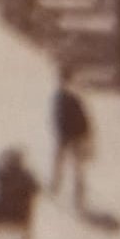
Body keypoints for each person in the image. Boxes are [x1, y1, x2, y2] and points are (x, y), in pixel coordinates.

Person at [49, 65, 93, 209]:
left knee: (63, 161)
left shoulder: (63, 96)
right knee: (75, 165)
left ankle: (57, 185)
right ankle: (76, 192)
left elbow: (58, 116)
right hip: (73, 134)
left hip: (68, 134)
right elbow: (84, 118)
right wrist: (87, 135)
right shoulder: (70, 96)